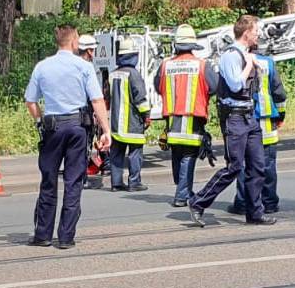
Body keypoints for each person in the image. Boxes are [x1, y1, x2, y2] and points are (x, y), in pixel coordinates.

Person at [24, 25, 111, 249]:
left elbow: (30, 101)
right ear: (74, 42)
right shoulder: (83, 67)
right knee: (73, 182)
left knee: (49, 181)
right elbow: (96, 101)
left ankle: (43, 234)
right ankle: (65, 237)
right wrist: (106, 130)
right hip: (77, 128)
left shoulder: (42, 67)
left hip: (52, 128)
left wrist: (39, 120)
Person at [189, 15, 274, 227]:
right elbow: (236, 85)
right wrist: (249, 65)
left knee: (258, 166)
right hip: (234, 118)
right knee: (234, 167)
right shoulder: (230, 55)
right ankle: (198, 202)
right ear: (246, 33)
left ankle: (255, 213)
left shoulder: (246, 54)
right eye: (256, 31)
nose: (259, 35)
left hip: (249, 117)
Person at [155, 24, 212, 208]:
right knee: (189, 154)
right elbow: (216, 86)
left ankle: (183, 189)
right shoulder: (202, 65)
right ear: (193, 45)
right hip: (192, 118)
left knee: (177, 153)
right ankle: (181, 194)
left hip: (172, 119)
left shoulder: (165, 65)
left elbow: (158, 86)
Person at [228, 43, 285, 216]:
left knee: (245, 164)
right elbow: (279, 93)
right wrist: (281, 115)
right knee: (267, 164)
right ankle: (269, 203)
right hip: (267, 122)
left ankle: (243, 202)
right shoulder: (268, 63)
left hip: (246, 120)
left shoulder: (239, 62)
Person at [107, 37, 150, 192]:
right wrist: (147, 115)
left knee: (116, 154)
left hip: (115, 124)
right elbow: (140, 98)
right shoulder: (134, 74)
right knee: (135, 153)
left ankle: (116, 183)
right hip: (132, 123)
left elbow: (106, 98)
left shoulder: (113, 74)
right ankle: (134, 182)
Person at [77, 34, 109, 189]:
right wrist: (104, 126)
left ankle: (75, 177)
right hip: (83, 115)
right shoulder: (87, 68)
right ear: (89, 51)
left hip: (68, 115)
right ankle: (81, 178)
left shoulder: (70, 65)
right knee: (83, 148)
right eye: (93, 50)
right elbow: (95, 98)